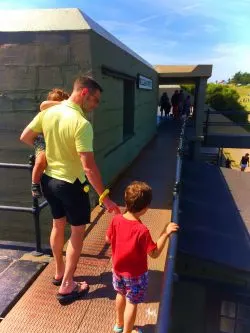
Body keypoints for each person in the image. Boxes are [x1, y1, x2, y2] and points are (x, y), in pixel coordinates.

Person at [20, 76, 120, 304]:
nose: (96, 105)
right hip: (71, 185)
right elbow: (89, 167)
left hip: (49, 181)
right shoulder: (82, 124)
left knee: (57, 224)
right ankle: (67, 286)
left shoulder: (48, 113)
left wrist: (44, 149)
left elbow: (26, 136)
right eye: (95, 100)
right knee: (76, 233)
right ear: (84, 92)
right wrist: (105, 198)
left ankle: (59, 272)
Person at [106, 181, 179, 333]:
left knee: (120, 294)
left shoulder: (116, 219)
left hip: (117, 270)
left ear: (126, 201)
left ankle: (119, 325)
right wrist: (165, 233)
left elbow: (108, 239)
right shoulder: (142, 231)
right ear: (145, 208)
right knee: (132, 303)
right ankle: (128, 331)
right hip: (135, 275)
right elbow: (154, 253)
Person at [32, 88, 70, 198]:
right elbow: (43, 105)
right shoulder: (47, 108)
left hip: (54, 139)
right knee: (40, 161)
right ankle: (35, 184)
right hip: (42, 138)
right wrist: (62, 103)